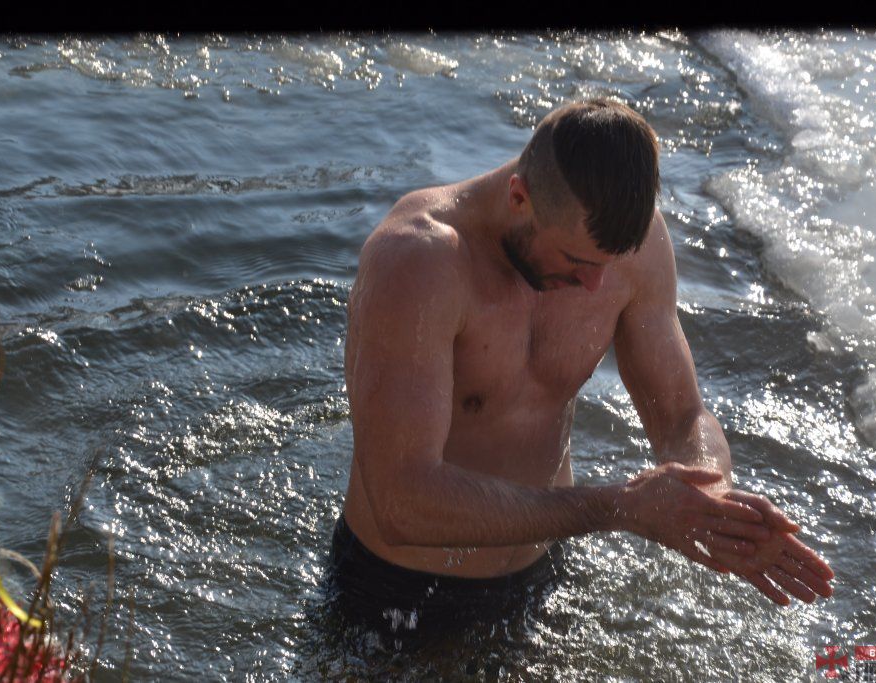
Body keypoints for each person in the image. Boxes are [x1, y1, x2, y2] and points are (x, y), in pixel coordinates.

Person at [328, 99, 834, 641]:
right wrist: (617, 508)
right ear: (519, 198)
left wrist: (711, 495)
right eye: (577, 262)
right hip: (398, 593)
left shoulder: (630, 245)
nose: (595, 286)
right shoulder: (419, 261)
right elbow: (401, 502)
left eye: (608, 265)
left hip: (542, 576)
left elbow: (682, 416)